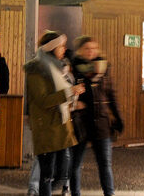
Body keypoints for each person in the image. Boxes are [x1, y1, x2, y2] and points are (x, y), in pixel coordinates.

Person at [25, 30, 83, 196]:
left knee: (56, 173)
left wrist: (73, 95)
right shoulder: (37, 70)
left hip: (59, 127)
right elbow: (43, 100)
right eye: (61, 46)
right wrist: (69, 92)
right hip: (47, 128)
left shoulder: (58, 68)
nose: (64, 49)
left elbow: (62, 96)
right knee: (48, 174)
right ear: (51, 48)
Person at [69, 36, 122, 196]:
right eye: (87, 49)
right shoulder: (74, 69)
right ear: (81, 51)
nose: (91, 52)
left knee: (105, 164)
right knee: (75, 163)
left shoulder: (104, 68)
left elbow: (111, 95)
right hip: (81, 123)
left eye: (93, 48)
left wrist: (118, 117)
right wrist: (74, 104)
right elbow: (66, 94)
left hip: (101, 124)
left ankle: (109, 193)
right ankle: (75, 193)